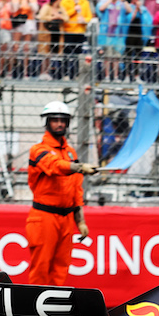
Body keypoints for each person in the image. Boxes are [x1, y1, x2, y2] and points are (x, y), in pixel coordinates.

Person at [26, 100, 98, 286]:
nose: (59, 124)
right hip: (44, 217)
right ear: (47, 122)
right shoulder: (38, 150)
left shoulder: (71, 153)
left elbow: (76, 189)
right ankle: (34, 308)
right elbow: (54, 166)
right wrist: (80, 167)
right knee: (41, 266)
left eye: (63, 120)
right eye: (55, 120)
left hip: (66, 219)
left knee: (61, 267)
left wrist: (80, 220)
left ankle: (53, 307)